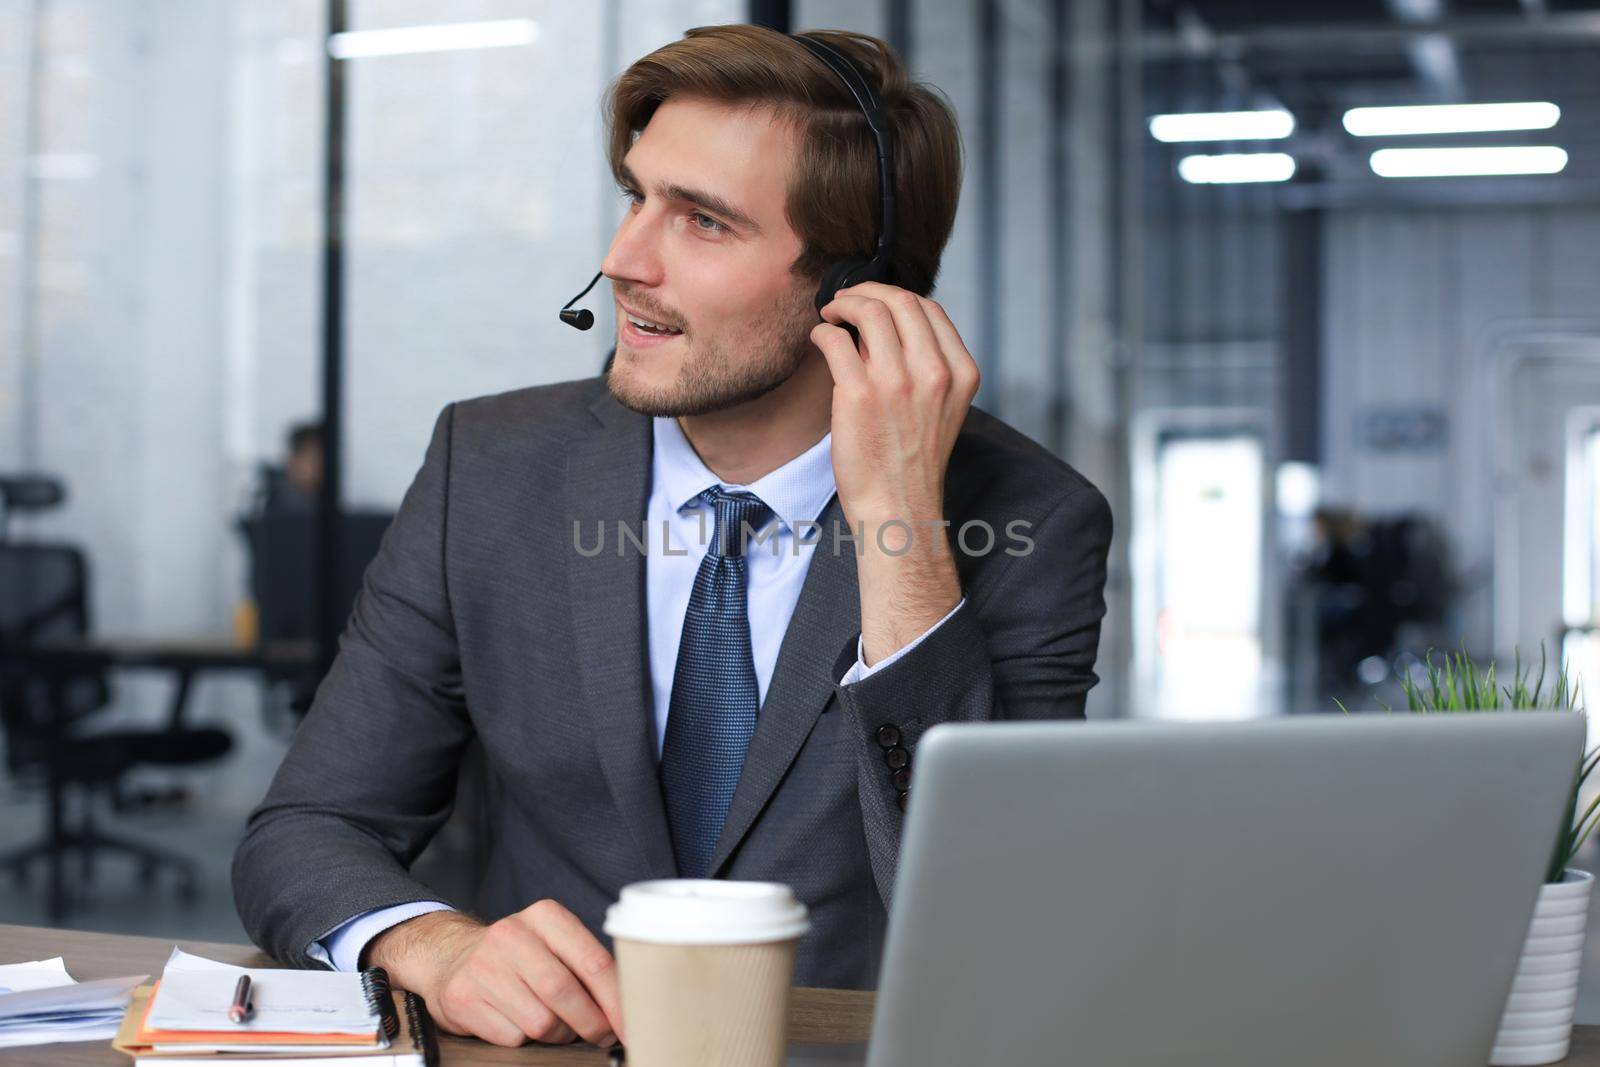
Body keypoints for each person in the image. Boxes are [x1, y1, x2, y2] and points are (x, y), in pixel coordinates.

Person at [233, 24, 1112, 1051]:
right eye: (637, 197)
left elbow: (993, 916)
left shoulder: (1031, 519)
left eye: (702, 221)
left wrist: (900, 524)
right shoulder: (491, 466)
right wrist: (434, 943)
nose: (622, 261)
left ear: (851, 284)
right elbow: (304, 830)